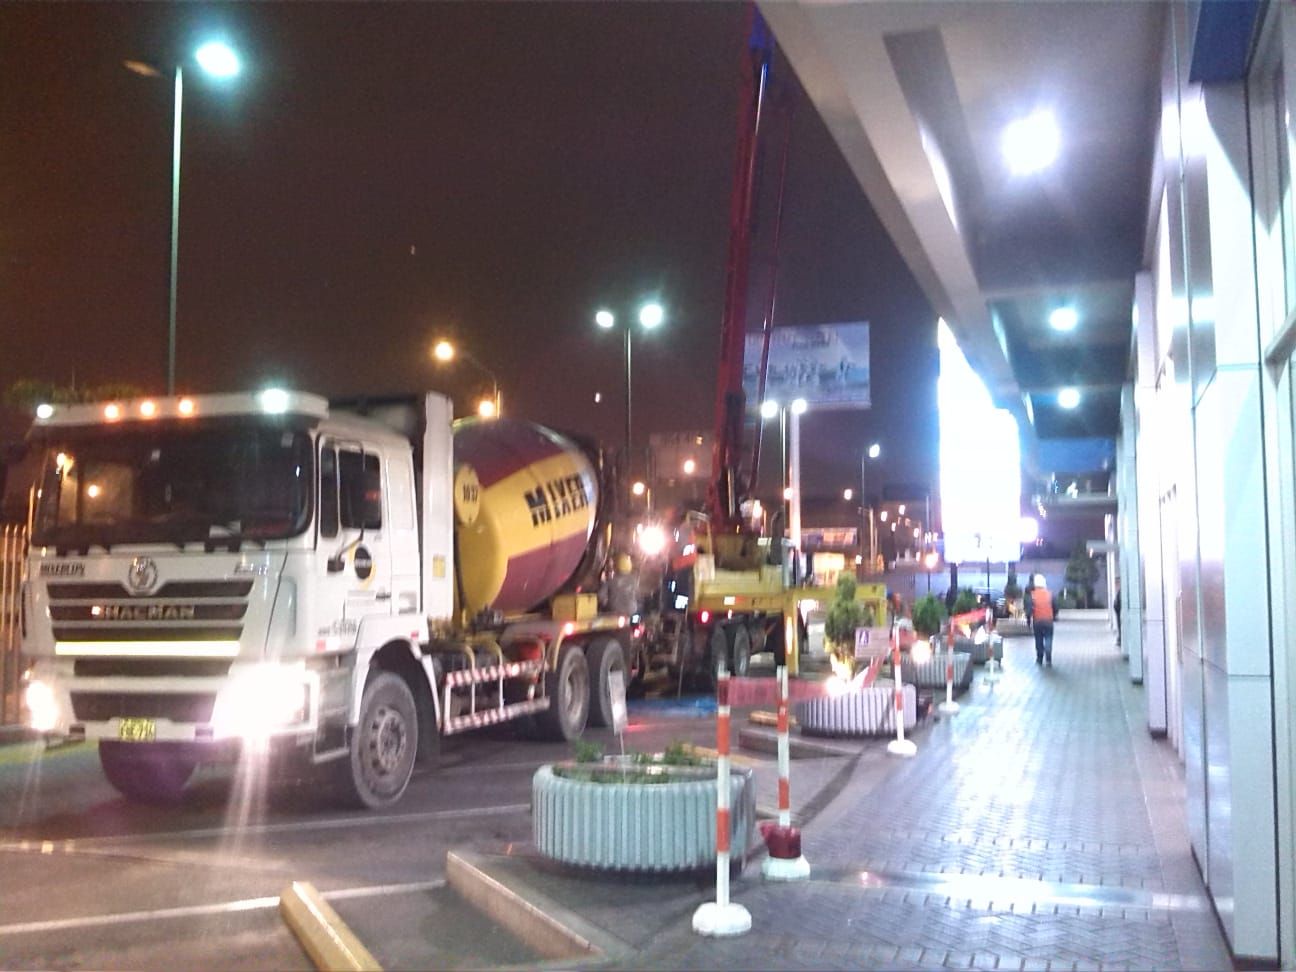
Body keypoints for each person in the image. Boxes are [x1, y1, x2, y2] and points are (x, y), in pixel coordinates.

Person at [1029, 574, 1058, 666]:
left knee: (1038, 639)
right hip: (1048, 620)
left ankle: (1039, 658)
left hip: (1037, 621)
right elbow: (1055, 606)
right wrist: (1054, 615)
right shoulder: (1050, 594)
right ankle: (1048, 659)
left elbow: (1030, 609)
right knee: (1048, 638)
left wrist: (1029, 619)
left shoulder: (1032, 595)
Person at [600, 552, 640, 618]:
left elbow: (601, 596)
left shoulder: (611, 581)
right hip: (632, 611)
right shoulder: (634, 580)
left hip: (615, 612)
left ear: (616, 565)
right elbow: (638, 595)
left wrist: (606, 604)